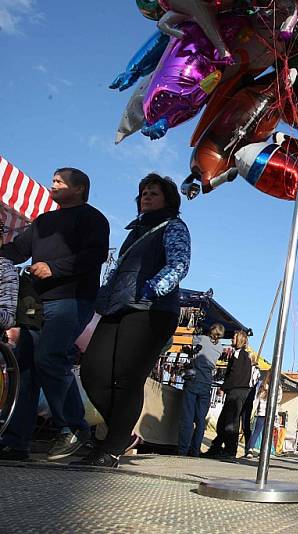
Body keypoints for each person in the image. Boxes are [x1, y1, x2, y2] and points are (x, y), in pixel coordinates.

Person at [76, 175, 189, 468]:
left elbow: (179, 263)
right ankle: (121, 434)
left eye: (153, 193)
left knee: (127, 378)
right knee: (92, 372)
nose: (146, 197)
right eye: (142, 193)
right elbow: (117, 272)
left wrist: (156, 287)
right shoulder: (135, 231)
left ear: (168, 199)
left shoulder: (173, 226)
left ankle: (111, 447)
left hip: (152, 309)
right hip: (117, 307)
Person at [0, 168, 109, 462]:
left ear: (80, 188)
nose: (54, 184)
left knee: (50, 356)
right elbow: (17, 250)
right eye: (54, 180)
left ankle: (74, 427)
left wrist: (53, 268)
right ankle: (16, 440)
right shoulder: (43, 221)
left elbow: (94, 255)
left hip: (72, 299)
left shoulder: (93, 218)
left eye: (61, 181)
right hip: (35, 301)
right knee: (25, 365)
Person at [202, 330, 254, 459]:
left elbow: (234, 374)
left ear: (240, 339)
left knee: (230, 422)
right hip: (238, 392)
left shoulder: (240, 355)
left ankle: (230, 450)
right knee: (224, 421)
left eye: (234, 337)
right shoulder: (244, 356)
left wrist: (224, 387)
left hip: (236, 392)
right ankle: (217, 446)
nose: (231, 339)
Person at [177, 323, 225, 457]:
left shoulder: (202, 339)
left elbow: (190, 338)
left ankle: (183, 450)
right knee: (200, 420)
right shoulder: (220, 348)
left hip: (194, 380)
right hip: (207, 384)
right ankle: (195, 450)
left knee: (187, 417)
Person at [246, 373, 282, 458]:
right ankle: (263, 452)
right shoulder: (278, 387)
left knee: (256, 432)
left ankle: (250, 449)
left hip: (261, 412)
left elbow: (257, 398)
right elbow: (279, 399)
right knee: (267, 433)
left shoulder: (262, 385)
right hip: (271, 413)